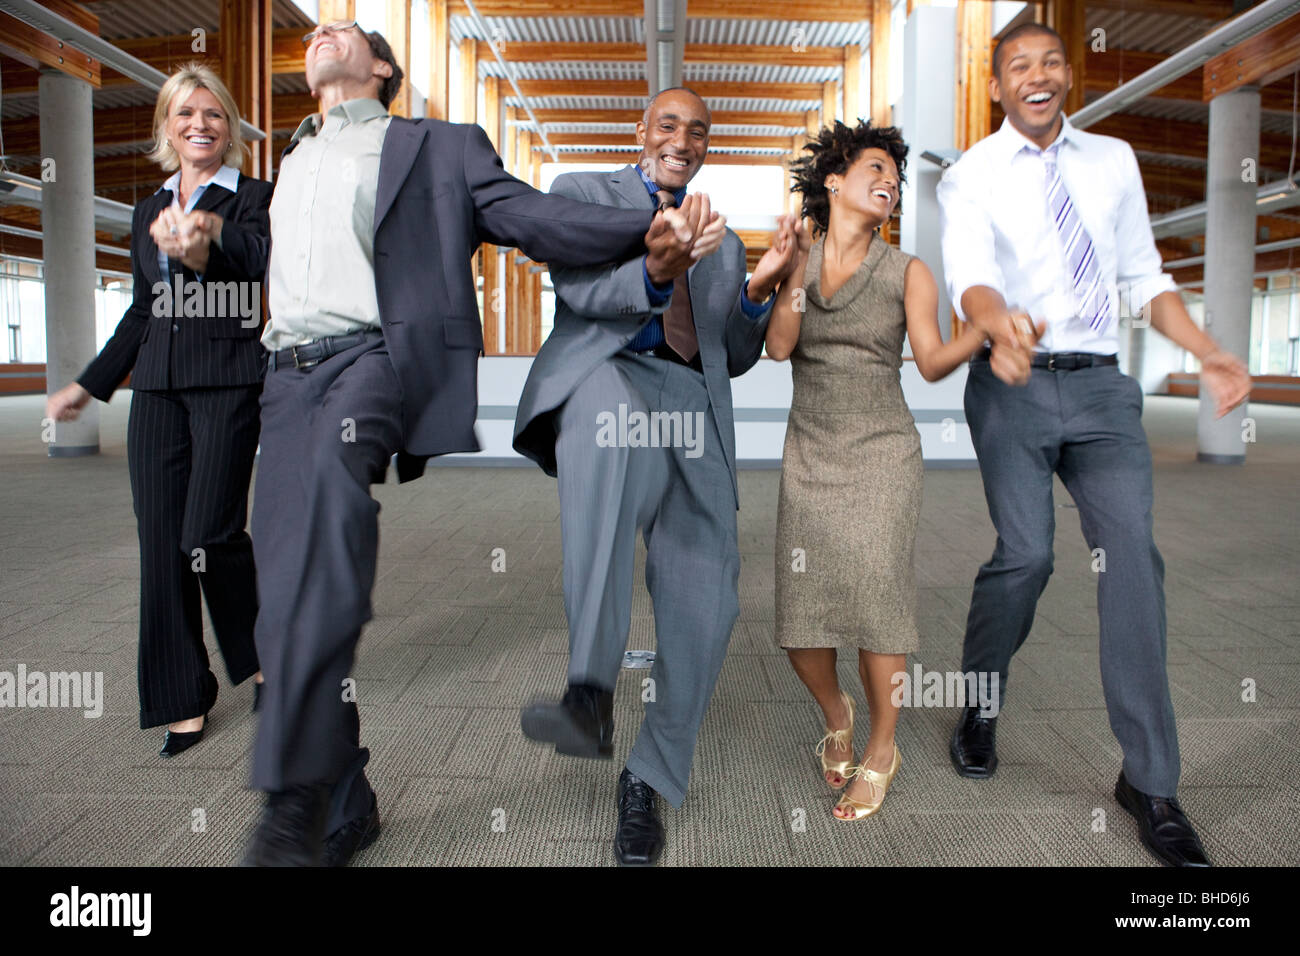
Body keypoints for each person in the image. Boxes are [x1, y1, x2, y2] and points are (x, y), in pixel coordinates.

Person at [241, 21, 691, 867]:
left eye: (350, 29)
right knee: (280, 595)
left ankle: (290, 793)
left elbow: (532, 216)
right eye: (320, 31)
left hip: (371, 358)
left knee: (335, 514)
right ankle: (345, 799)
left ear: (383, 67)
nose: (325, 30)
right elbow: (258, 251)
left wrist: (646, 228)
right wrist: (199, 246)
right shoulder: (292, 161)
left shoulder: (433, 147)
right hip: (284, 379)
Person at [936, 22, 1251, 867]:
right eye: (1017, 68)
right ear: (997, 86)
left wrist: (1207, 348)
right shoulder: (970, 174)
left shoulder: (1113, 160)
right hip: (1014, 379)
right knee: (1027, 555)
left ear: (1067, 74)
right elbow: (970, 272)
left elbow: (1145, 276)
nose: (1036, 77)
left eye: (1048, 62)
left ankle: (1150, 781)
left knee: (1131, 555)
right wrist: (997, 326)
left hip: (1105, 386)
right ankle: (980, 698)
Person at [513, 87, 799, 865]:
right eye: (668, 124)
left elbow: (732, 357)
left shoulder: (727, 240)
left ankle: (649, 777)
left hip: (693, 404)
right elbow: (579, 290)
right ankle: (590, 693)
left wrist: (758, 286)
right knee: (608, 462)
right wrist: (652, 269)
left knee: (710, 597)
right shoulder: (582, 194)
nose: (683, 138)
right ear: (641, 130)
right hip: (612, 373)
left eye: (698, 130)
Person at [45, 63, 268, 759]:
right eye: (185, 114)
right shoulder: (146, 211)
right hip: (160, 391)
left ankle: (264, 657)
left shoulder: (255, 197)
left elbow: (261, 260)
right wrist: (90, 384)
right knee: (162, 548)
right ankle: (181, 696)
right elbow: (142, 310)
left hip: (229, 381)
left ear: (228, 128)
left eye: (213, 114)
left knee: (209, 534)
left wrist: (204, 244)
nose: (200, 124)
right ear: (166, 128)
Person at [766, 120, 987, 821]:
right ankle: (837, 712)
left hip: (884, 453)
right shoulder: (799, 257)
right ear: (833, 180)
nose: (889, 181)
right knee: (802, 621)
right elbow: (778, 348)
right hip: (811, 451)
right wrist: (793, 270)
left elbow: (928, 362)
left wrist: (980, 333)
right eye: (875, 168)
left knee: (877, 603)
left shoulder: (906, 271)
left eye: (895, 175)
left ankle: (883, 748)